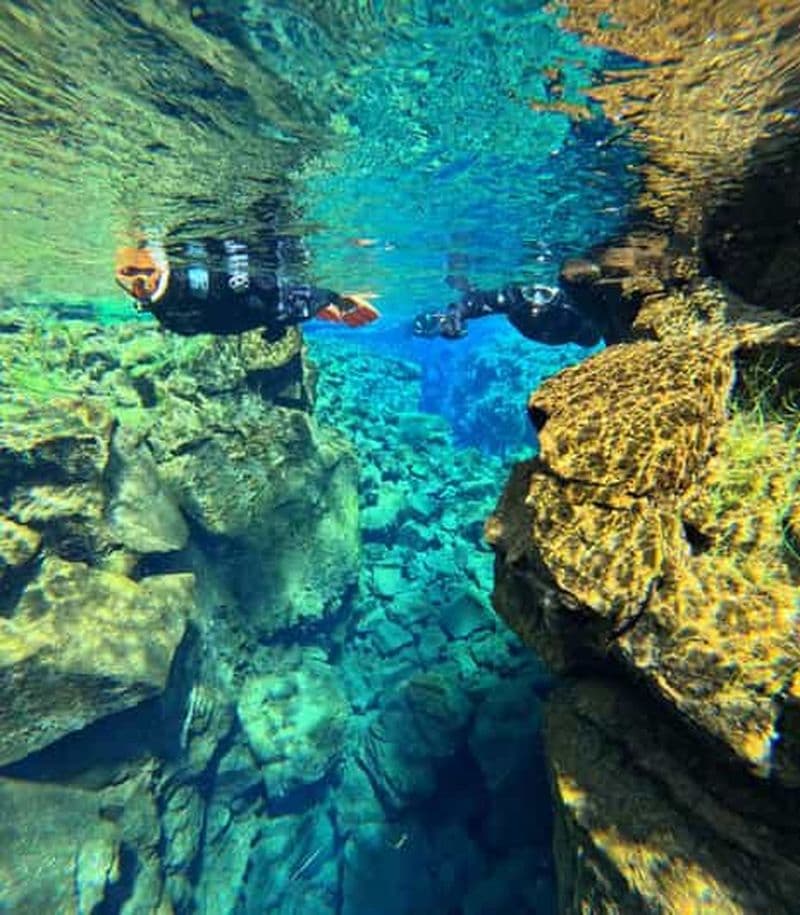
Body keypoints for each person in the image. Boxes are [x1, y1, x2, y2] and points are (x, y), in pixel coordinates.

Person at [115, 239, 379, 341]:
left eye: (135, 272)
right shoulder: (176, 313)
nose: (138, 277)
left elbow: (255, 307)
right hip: (276, 299)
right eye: (130, 276)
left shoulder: (177, 302)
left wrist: (326, 299)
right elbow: (259, 306)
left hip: (272, 300)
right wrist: (331, 297)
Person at [412, 282, 601, 346]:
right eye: (530, 292)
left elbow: (480, 303)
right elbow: (478, 302)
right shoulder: (514, 299)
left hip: (574, 331)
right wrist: (455, 315)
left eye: (545, 294)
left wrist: (456, 314)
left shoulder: (571, 304)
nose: (536, 301)